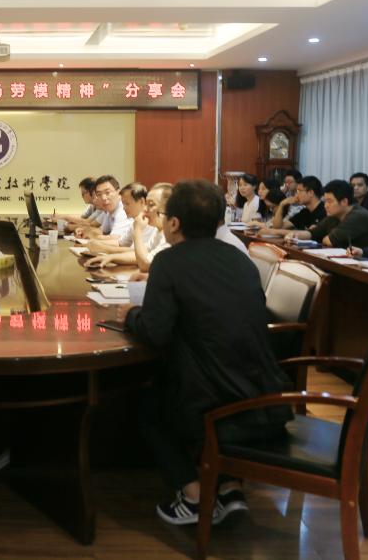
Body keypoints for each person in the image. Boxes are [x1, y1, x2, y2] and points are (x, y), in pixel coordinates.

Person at [124, 179, 290, 525]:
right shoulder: (239, 259)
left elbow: (155, 333)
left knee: (148, 405)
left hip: (215, 408)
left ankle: (194, 497)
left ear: (174, 223)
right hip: (267, 399)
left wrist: (130, 315)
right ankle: (230, 488)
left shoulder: (169, 262)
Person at [286, 180, 368, 248]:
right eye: (325, 201)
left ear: (344, 202)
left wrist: (324, 237)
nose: (326, 205)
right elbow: (314, 233)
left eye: (330, 201)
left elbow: (329, 241)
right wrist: (296, 235)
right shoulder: (335, 215)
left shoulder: (358, 216)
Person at [75, 175, 130, 239]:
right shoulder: (109, 210)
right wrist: (85, 231)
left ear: (119, 193)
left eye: (107, 192)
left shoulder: (124, 211)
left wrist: (91, 235)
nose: (103, 198)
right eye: (99, 194)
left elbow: (114, 239)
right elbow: (102, 231)